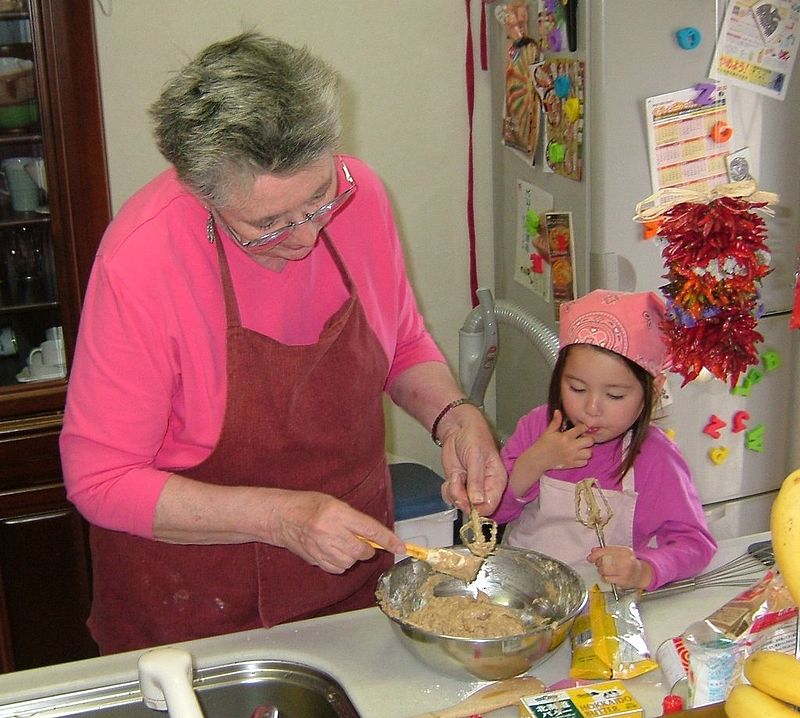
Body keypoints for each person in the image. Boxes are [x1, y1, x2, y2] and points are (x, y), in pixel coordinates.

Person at [59, 32, 505, 655]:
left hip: (350, 576)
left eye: (320, 198)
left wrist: (454, 416)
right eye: (266, 224)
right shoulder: (144, 257)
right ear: (202, 195)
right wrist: (281, 517)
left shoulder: (362, 196)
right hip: (197, 606)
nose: (303, 236)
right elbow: (99, 479)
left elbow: (401, 342)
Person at [491, 289, 716, 591]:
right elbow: (491, 513)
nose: (591, 409)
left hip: (602, 607)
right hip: (521, 593)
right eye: (577, 388)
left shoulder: (655, 456)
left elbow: (695, 544)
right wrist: (534, 462)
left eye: (615, 395)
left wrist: (644, 570)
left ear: (654, 388)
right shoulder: (537, 428)